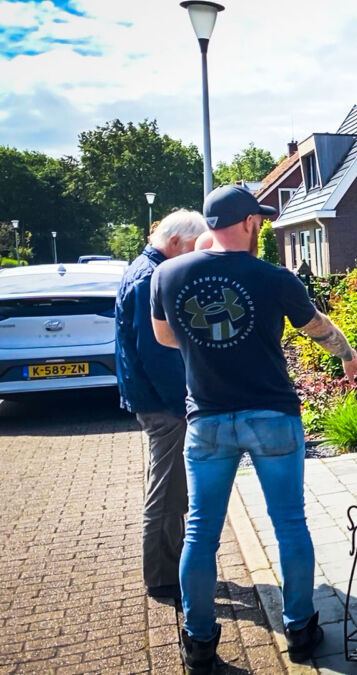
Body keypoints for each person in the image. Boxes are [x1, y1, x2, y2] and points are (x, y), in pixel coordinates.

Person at [150, 185, 357, 674]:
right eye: (261, 221)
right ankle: (300, 629)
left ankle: (200, 640)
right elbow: (316, 326)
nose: (263, 227)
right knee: (289, 524)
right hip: (272, 417)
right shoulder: (274, 278)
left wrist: (205, 348)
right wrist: (351, 358)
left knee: (200, 532)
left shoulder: (166, 274)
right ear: (249, 223)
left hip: (206, 420)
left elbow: (165, 335)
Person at [115, 209, 206, 600]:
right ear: (173, 243)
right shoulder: (151, 279)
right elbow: (158, 354)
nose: (192, 258)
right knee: (167, 491)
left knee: (169, 487)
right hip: (163, 404)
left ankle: (170, 566)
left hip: (151, 398)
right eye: (190, 250)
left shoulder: (143, 269)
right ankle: (164, 577)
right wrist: (182, 403)